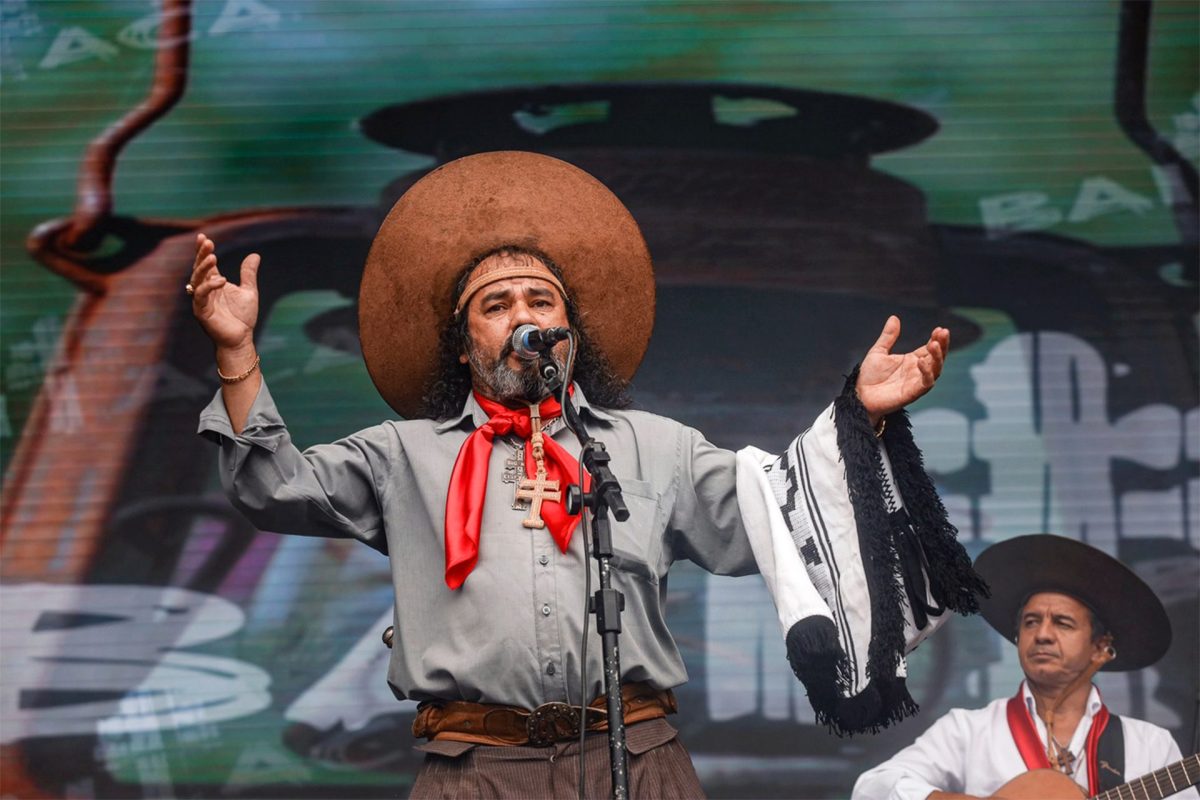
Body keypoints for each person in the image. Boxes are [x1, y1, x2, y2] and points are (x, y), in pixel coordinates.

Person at [191, 151, 984, 798]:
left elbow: (768, 520)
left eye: (543, 299)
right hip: (475, 768)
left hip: (638, 759)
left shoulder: (651, 446)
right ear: (464, 346)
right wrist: (236, 352)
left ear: (570, 331)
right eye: (497, 305)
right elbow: (272, 487)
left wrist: (859, 417)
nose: (525, 315)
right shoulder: (405, 453)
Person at [852, 533, 1198, 800]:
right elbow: (871, 789)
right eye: (1031, 622)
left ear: (1101, 648)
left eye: (1062, 623)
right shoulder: (969, 731)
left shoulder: (1150, 745)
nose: (1042, 634)